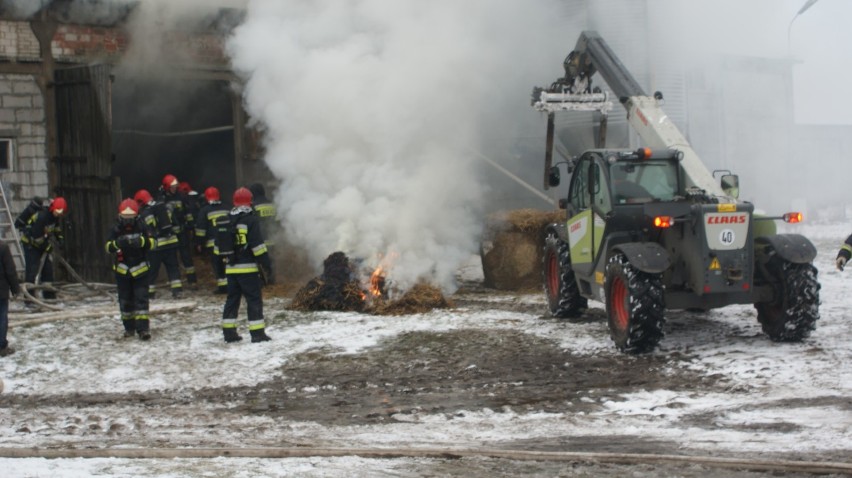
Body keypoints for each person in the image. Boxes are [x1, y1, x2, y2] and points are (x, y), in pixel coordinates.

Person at [218, 187, 274, 343]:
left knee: (232, 300)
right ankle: (257, 334)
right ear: (250, 202)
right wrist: (267, 264)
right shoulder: (251, 220)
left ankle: (229, 333)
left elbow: (219, 246)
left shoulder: (228, 219)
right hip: (248, 268)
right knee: (253, 299)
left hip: (231, 268)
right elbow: (257, 246)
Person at [105, 199, 153, 340]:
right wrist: (117, 243)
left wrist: (142, 242)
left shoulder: (143, 226)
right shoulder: (115, 229)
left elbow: (154, 242)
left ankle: (143, 329)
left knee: (141, 301)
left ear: (136, 216)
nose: (127, 221)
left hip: (141, 271)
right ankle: (129, 328)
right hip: (122, 272)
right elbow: (107, 248)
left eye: (130, 218)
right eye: (125, 218)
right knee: (125, 301)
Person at [135, 189, 183, 299]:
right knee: (173, 268)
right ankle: (177, 291)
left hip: (156, 246)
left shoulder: (145, 213)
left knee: (152, 270)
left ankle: (150, 293)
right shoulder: (165, 208)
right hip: (171, 243)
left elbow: (146, 231)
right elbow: (176, 226)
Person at [20, 196, 67, 299]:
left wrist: (60, 239)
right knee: (32, 272)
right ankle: (29, 299)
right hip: (30, 245)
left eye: (61, 211)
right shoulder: (42, 217)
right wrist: (47, 246)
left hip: (42, 246)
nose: (59, 213)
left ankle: (49, 297)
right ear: (53, 208)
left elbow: (56, 228)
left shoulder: (54, 217)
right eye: (58, 210)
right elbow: (37, 237)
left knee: (47, 272)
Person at [159, 174, 196, 285]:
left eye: (175, 186)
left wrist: (190, 225)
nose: (174, 188)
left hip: (182, 230)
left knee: (186, 257)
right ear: (166, 187)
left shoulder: (181, 197)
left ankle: (192, 281)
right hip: (170, 234)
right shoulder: (162, 199)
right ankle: (176, 282)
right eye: (172, 187)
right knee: (172, 259)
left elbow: (187, 212)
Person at [195, 186, 230, 294]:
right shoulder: (226, 207)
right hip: (227, 242)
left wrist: (199, 243)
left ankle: (223, 287)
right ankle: (231, 285)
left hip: (213, 243)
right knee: (228, 263)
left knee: (217, 265)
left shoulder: (205, 210)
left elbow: (201, 229)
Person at [0, 240, 21, 356]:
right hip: (1, 291)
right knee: (1, 318)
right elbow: (10, 270)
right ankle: (1, 346)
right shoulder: (2, 247)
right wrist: (15, 289)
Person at [248, 182, 278, 248]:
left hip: (260, 243)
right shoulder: (272, 205)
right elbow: (278, 222)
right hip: (275, 241)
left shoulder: (253, 206)